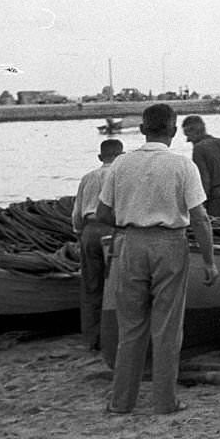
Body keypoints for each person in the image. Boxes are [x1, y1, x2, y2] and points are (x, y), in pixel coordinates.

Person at [97, 103, 219, 415]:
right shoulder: (181, 166)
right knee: (166, 327)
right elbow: (200, 218)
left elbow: (102, 213)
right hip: (170, 244)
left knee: (131, 327)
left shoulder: (120, 165)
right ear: (173, 130)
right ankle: (165, 401)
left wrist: (129, 224)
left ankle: (121, 401)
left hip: (130, 243)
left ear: (141, 129)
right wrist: (209, 260)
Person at [71, 138, 124, 351]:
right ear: (122, 156)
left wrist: (79, 234)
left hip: (89, 231)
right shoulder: (121, 175)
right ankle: (115, 337)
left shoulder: (87, 178)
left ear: (100, 157)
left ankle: (92, 340)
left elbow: (77, 213)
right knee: (117, 287)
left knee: (91, 287)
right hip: (113, 229)